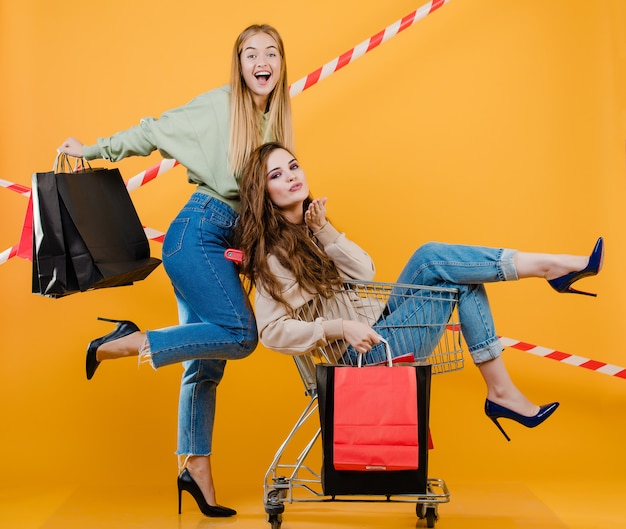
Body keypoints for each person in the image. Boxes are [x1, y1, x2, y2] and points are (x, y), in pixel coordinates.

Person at [57, 26, 294, 517]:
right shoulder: (218, 106)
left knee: (205, 365)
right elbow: (152, 130)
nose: (261, 61)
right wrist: (92, 149)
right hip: (197, 234)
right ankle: (125, 341)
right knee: (240, 335)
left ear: (281, 64)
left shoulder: (275, 121)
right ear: (239, 63)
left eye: (271, 53)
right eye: (251, 54)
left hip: (220, 243)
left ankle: (195, 472)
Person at [236, 142, 604, 441]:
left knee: (442, 266)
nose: (291, 177)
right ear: (264, 192)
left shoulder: (313, 228)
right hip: (362, 356)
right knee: (442, 269)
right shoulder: (273, 257)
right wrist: (338, 329)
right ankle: (547, 274)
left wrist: (324, 231)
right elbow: (271, 333)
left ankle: (505, 385)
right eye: (277, 174)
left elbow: (365, 272)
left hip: (381, 326)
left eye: (294, 166)